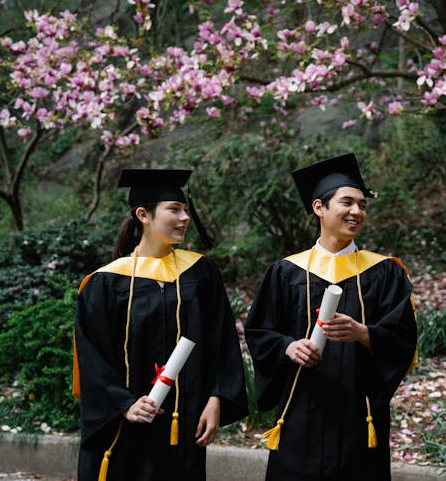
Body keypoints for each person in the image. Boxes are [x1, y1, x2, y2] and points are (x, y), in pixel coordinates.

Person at [244, 153, 418, 481]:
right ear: (319, 208)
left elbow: (404, 338)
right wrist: (286, 347)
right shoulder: (286, 272)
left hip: (359, 414)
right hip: (300, 414)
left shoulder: (383, 272)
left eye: (362, 205)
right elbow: (259, 331)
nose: (356, 212)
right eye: (347, 202)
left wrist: (364, 333)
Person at [73, 168, 248, 481]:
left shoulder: (200, 273)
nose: (184, 218)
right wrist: (123, 404)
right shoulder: (106, 282)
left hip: (184, 421)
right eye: (174, 210)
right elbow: (92, 355)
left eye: (185, 211)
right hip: (126, 424)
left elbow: (222, 341)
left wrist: (217, 398)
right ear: (144, 215)